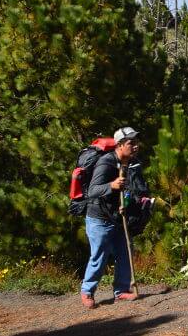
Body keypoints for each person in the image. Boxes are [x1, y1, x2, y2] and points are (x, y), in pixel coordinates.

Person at [80, 126, 148, 308]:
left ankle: (121, 290)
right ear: (119, 145)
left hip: (118, 217)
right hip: (99, 219)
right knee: (99, 256)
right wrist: (112, 185)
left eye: (136, 143)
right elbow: (93, 191)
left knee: (125, 252)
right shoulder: (106, 163)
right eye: (130, 143)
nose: (135, 146)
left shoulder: (131, 163)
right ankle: (87, 291)